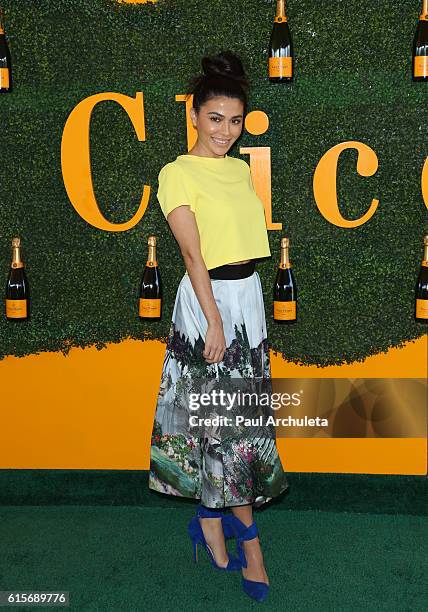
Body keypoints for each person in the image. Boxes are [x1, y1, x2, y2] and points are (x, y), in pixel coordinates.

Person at [148, 50, 288, 603]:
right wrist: (213, 320)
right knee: (227, 428)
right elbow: (192, 253)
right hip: (210, 301)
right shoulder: (176, 173)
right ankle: (249, 542)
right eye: (215, 119)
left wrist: (241, 314)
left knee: (231, 421)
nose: (225, 132)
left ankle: (209, 520)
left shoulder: (239, 168)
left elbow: (243, 249)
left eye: (235, 121)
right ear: (194, 115)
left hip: (246, 295)